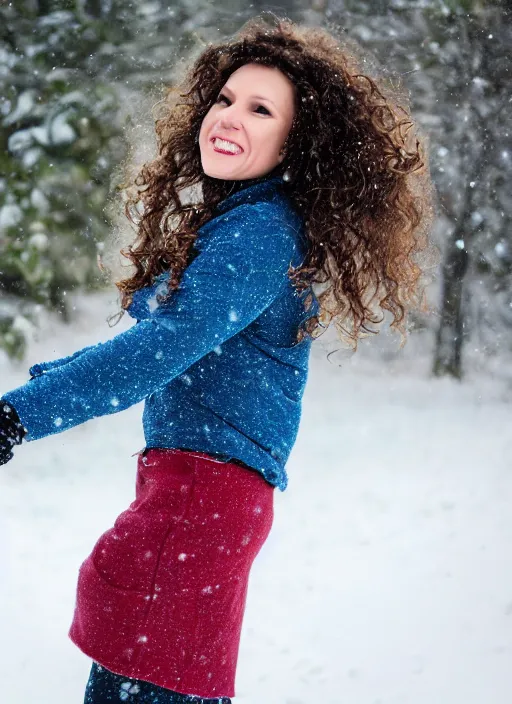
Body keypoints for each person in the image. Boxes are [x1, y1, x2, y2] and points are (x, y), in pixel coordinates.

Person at [0, 13, 435, 704]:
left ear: (297, 141)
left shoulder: (260, 234)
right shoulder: (247, 224)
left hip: (200, 501)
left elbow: (158, 351)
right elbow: (163, 342)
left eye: (261, 109)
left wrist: (16, 417)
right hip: (198, 500)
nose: (228, 117)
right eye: (226, 99)